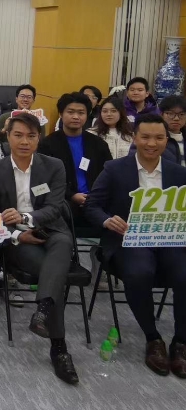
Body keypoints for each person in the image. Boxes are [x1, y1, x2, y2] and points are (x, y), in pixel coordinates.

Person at [84, 114, 186, 379]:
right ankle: (153, 338)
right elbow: (92, 206)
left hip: (169, 240)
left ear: (167, 140)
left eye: (159, 138)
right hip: (128, 240)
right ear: (135, 138)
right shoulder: (115, 168)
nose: (152, 143)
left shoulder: (179, 173)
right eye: (146, 137)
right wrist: (107, 221)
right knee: (139, 272)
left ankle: (181, 341)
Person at [0, 113, 80, 384]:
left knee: (63, 242)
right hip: (17, 240)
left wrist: (26, 218)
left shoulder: (54, 166)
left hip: (50, 229)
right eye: (18, 135)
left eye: (31, 136)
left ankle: (43, 309)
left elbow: (55, 206)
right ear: (7, 136)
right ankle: (59, 349)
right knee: (54, 275)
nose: (25, 141)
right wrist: (16, 235)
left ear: (39, 138)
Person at [38, 92, 112, 226]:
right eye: (70, 112)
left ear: (88, 114)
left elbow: (108, 174)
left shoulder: (98, 144)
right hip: (63, 201)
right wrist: (71, 195)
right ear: (61, 114)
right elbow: (44, 180)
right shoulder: (47, 144)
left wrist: (95, 197)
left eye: (81, 112)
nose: (76, 116)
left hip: (96, 200)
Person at [160, 95, 186, 165]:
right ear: (161, 115)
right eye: (171, 114)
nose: (176, 118)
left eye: (181, 114)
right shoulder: (156, 139)